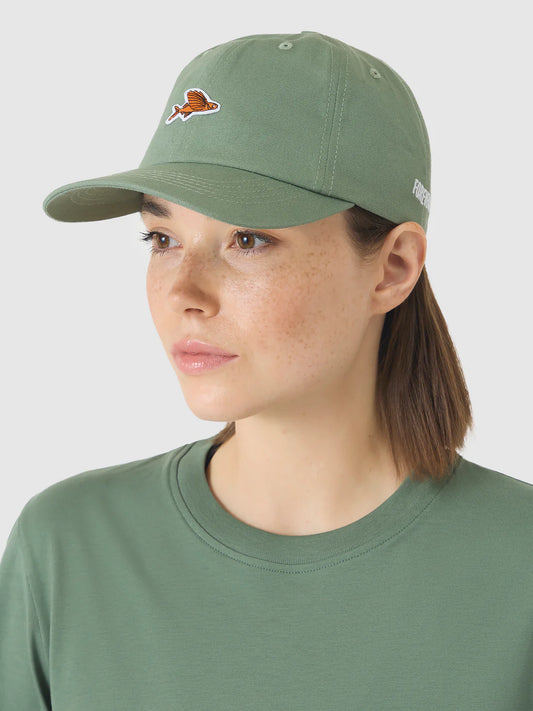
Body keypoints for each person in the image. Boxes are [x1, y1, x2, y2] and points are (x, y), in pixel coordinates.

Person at [0, 31, 531, 710]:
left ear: (393, 268)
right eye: (162, 238)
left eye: (247, 239)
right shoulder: (67, 548)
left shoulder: (518, 569)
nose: (184, 292)